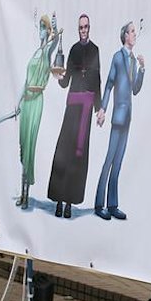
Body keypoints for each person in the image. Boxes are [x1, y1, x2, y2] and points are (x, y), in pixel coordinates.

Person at [0, 15, 59, 211]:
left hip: (37, 100)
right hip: (27, 100)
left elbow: (55, 41)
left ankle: (26, 195)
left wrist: (55, 29)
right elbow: (25, 81)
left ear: (48, 31)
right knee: (23, 145)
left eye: (44, 27)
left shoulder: (47, 51)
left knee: (30, 145)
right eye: (40, 27)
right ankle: (23, 193)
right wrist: (17, 102)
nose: (41, 30)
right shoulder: (35, 53)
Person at [45, 13, 101, 218]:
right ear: (78, 30)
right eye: (81, 27)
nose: (83, 30)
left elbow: (97, 80)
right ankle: (59, 201)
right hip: (72, 108)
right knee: (64, 152)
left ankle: (69, 203)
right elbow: (66, 80)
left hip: (86, 110)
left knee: (78, 156)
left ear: (89, 28)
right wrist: (58, 76)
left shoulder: (95, 50)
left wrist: (99, 108)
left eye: (86, 27)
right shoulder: (73, 49)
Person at [93, 21, 146, 220]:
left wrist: (142, 69)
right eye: (132, 32)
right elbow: (109, 84)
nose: (134, 35)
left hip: (128, 117)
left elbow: (135, 89)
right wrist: (103, 108)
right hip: (117, 116)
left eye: (134, 32)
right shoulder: (118, 57)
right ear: (125, 35)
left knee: (119, 161)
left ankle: (112, 204)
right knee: (109, 159)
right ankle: (99, 204)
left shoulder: (133, 61)